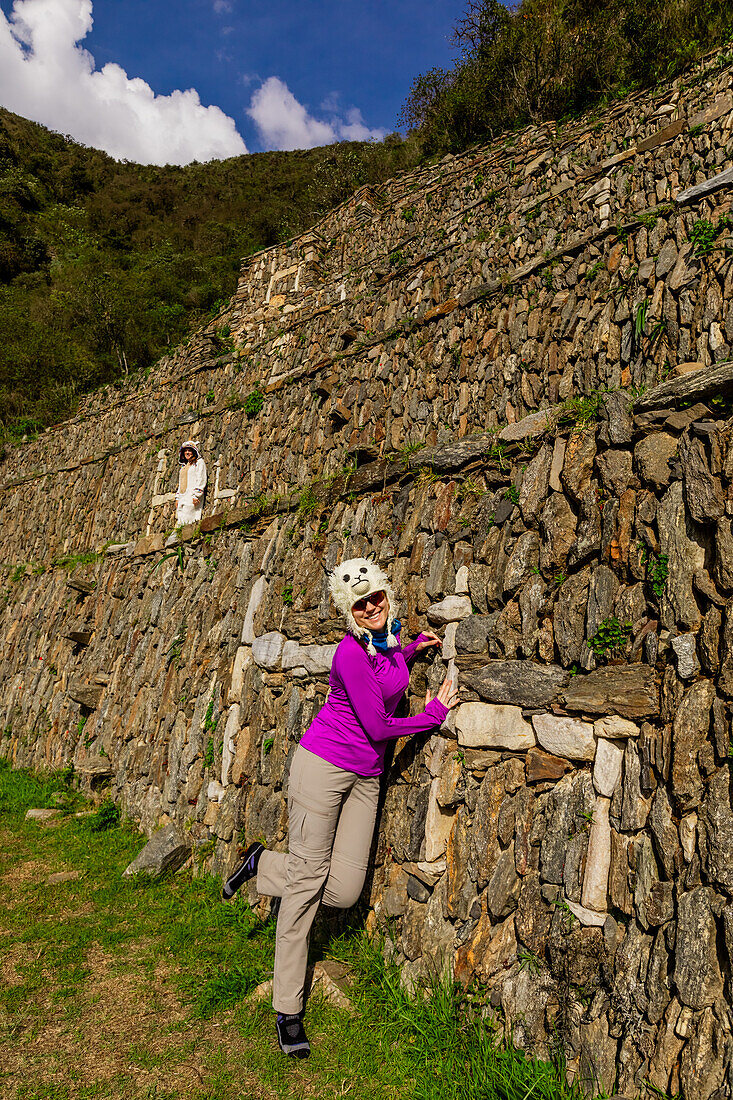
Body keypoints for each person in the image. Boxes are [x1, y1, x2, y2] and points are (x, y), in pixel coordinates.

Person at [222, 557, 459, 1058]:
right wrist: (432, 714)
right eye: (361, 603)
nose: (372, 606)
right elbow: (378, 726)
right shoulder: (350, 654)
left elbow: (390, 671)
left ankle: (260, 864)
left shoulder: (389, 642)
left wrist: (414, 648)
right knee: (307, 888)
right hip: (323, 769)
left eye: (377, 597)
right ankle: (288, 1009)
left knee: (345, 889)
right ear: (348, 612)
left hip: (367, 777)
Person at [175, 440, 207, 526]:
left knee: (189, 518)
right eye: (185, 451)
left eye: (189, 450)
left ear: (194, 452)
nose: (187, 452)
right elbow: (181, 482)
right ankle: (179, 535)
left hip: (192, 496)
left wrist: (196, 495)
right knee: (181, 518)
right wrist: (178, 497)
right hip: (183, 496)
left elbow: (201, 478)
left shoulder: (199, 463)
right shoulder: (184, 467)